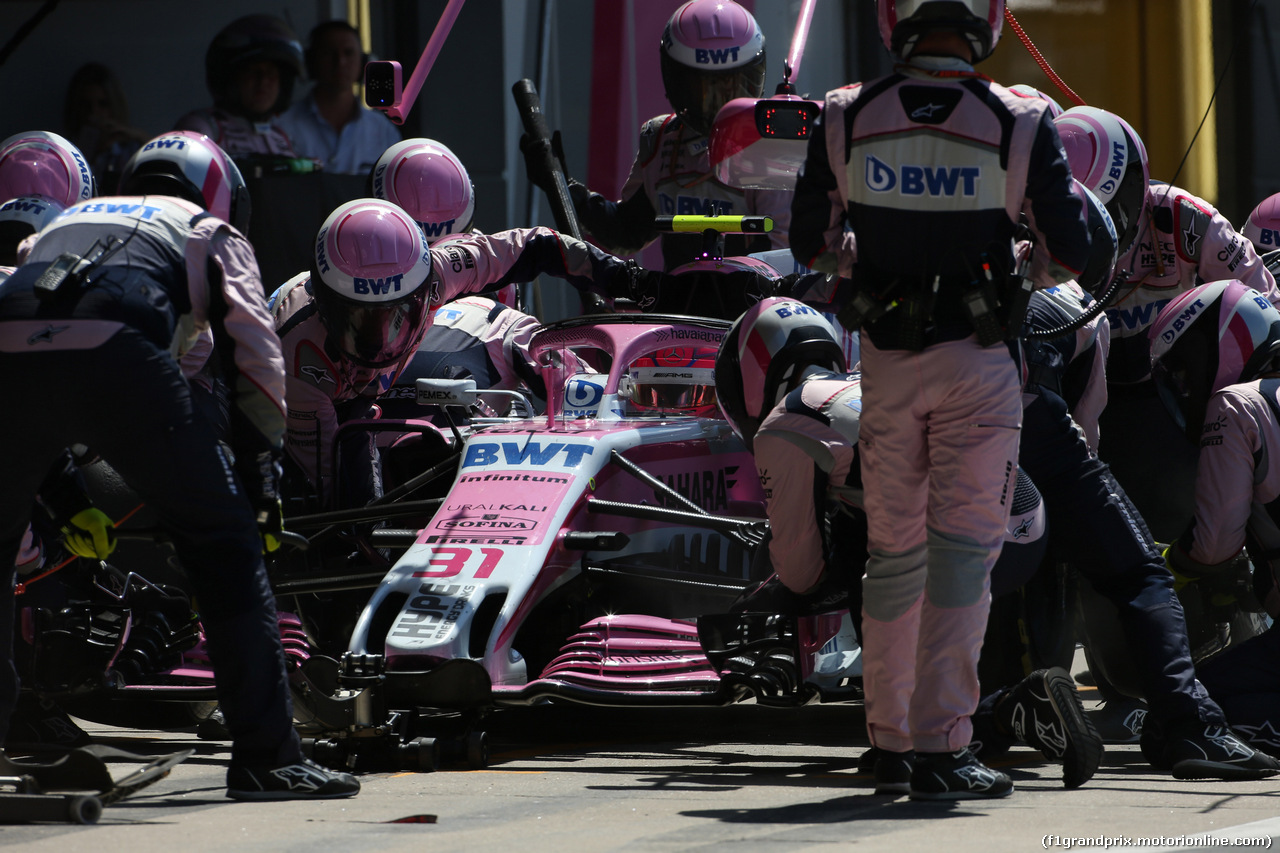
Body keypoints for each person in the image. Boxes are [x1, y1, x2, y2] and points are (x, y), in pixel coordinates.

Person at [788, 0, 1092, 800]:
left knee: (893, 555)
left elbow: (811, 245)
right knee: (963, 555)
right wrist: (1025, 260)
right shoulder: (1020, 121)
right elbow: (1074, 250)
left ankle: (889, 742)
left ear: (896, 22)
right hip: (979, 364)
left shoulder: (845, 114)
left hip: (884, 363)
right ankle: (944, 743)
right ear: (986, 22)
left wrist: (869, 254)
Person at [0, 130, 358, 800]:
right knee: (225, 545)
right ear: (225, 191)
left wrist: (68, 498)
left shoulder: (68, 220)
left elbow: (34, 347)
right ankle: (268, 756)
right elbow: (255, 357)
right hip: (119, 354)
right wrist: (260, 488)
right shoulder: (210, 230)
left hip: (9, 344)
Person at [714, 297, 1103, 791]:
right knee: (869, 526)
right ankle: (939, 734)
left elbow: (800, 570)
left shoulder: (784, 423)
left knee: (864, 555)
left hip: (955, 532)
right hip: (1020, 516)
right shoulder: (860, 381)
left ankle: (999, 714)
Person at [269, 198, 665, 508]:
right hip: (282, 404)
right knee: (338, 507)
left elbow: (536, 245)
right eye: (357, 319)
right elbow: (332, 488)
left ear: (427, 291)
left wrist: (627, 278)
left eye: (395, 316)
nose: (378, 341)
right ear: (325, 303)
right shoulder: (297, 350)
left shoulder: (442, 273)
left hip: (387, 406)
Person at [1054, 106, 1279, 542]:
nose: (1107, 224)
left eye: (1113, 204)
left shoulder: (1188, 221)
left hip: (1173, 391)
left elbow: (1264, 303)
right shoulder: (1047, 232)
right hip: (1079, 383)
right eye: (1086, 211)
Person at [521, 0, 791, 270]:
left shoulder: (775, 144)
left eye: (731, 87)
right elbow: (627, 232)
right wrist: (562, 186)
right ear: (676, 81)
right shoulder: (662, 138)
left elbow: (787, 262)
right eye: (703, 90)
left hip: (757, 307)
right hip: (680, 310)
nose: (716, 106)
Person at [1150, 280, 1280, 767]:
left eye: (1185, 370)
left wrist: (1171, 561)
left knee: (1177, 718)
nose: (1185, 388)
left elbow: (1214, 546)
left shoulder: (1238, 405)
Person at [277, 20, 401, 176]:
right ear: (310, 62)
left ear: (364, 62)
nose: (340, 62)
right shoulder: (281, 127)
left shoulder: (383, 131)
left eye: (348, 53)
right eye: (329, 53)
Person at [174, 14, 304, 159]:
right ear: (231, 78)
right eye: (253, 71)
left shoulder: (281, 138)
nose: (263, 81)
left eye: (271, 73)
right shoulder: (204, 128)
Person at [63, 62, 151, 195]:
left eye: (103, 104)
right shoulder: (66, 148)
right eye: (86, 105)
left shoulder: (130, 146)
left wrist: (138, 136)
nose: (95, 112)